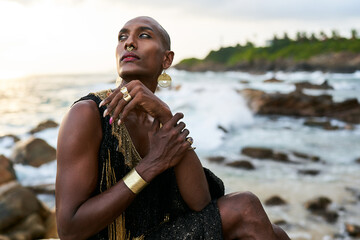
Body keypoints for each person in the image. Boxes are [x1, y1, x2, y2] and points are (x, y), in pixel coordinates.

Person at [56, 16, 291, 240]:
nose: (128, 43)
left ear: (166, 60)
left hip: (158, 232)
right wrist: (150, 166)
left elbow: (200, 203)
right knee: (245, 206)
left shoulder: (160, 119)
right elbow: (69, 230)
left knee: (277, 234)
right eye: (122, 37)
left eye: (144, 35)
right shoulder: (89, 114)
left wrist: (165, 115)